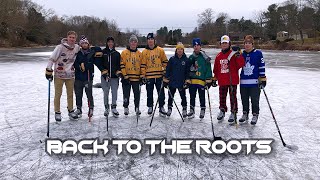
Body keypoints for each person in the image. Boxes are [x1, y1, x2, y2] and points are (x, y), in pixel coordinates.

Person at [45, 31, 80, 121]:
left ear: (75, 39)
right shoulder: (60, 47)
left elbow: (85, 50)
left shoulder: (76, 47)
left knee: (70, 94)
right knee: (58, 94)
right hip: (59, 75)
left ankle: (71, 110)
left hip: (70, 75)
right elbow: (51, 59)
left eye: (73, 38)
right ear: (67, 37)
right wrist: (49, 71)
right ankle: (57, 112)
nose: (72, 39)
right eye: (70, 37)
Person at [213, 35, 245, 123]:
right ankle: (222, 110)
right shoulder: (218, 56)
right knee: (222, 97)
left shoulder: (234, 54)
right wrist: (214, 78)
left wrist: (239, 54)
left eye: (226, 43)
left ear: (229, 44)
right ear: (220, 44)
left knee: (232, 97)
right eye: (223, 43)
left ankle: (233, 112)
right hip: (222, 80)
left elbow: (241, 64)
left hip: (232, 80)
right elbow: (216, 69)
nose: (224, 45)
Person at [73, 36, 107, 119]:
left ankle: (91, 108)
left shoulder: (92, 52)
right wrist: (79, 66)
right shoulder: (78, 52)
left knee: (89, 94)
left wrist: (102, 70)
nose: (84, 45)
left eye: (86, 43)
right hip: (78, 77)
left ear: (88, 44)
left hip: (88, 77)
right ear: (81, 44)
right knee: (78, 94)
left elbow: (97, 59)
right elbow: (74, 63)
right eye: (83, 43)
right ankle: (79, 108)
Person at [239, 35, 266, 125]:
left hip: (254, 82)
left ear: (252, 44)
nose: (247, 45)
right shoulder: (242, 54)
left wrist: (262, 78)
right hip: (243, 82)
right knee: (244, 99)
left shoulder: (258, 53)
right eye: (246, 43)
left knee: (255, 99)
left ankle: (255, 114)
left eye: (249, 43)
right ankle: (245, 113)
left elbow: (261, 66)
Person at [141, 33, 168, 116]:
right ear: (147, 41)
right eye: (149, 39)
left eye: (152, 39)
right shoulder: (144, 52)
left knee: (161, 92)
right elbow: (143, 65)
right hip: (149, 76)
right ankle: (150, 106)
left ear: (154, 40)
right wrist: (143, 75)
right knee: (149, 92)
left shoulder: (160, 50)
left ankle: (161, 107)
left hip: (159, 76)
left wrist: (165, 71)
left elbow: (165, 62)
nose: (150, 41)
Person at [163, 43, 191, 118]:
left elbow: (187, 72)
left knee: (183, 96)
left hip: (181, 82)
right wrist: (165, 79)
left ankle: (184, 109)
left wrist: (187, 80)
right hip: (172, 82)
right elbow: (168, 70)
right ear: (176, 50)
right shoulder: (172, 59)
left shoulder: (186, 60)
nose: (180, 50)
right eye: (178, 49)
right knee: (170, 96)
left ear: (183, 50)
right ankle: (169, 108)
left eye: (181, 49)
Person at [187, 38, 213, 119]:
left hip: (201, 80)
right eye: (194, 46)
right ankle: (192, 110)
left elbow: (208, 68)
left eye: (198, 45)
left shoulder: (204, 57)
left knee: (202, 96)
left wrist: (209, 79)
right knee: (192, 96)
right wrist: (187, 78)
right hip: (193, 81)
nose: (196, 47)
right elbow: (187, 69)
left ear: (200, 46)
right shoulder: (191, 57)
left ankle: (203, 109)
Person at [120, 35, 145, 115]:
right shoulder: (124, 53)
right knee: (126, 94)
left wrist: (142, 76)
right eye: (132, 41)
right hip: (127, 78)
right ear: (129, 43)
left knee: (137, 94)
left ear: (137, 43)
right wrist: (124, 75)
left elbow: (142, 66)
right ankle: (126, 107)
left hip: (136, 78)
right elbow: (121, 65)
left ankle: (137, 107)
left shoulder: (140, 54)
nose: (133, 43)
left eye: (135, 41)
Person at [100, 36, 122, 118]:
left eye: (112, 42)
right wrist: (103, 71)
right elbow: (100, 64)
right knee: (106, 92)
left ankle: (114, 107)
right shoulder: (103, 53)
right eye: (109, 42)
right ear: (107, 43)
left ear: (113, 43)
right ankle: (106, 107)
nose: (110, 43)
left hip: (114, 77)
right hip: (105, 77)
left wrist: (118, 72)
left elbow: (119, 65)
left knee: (114, 92)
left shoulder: (116, 53)